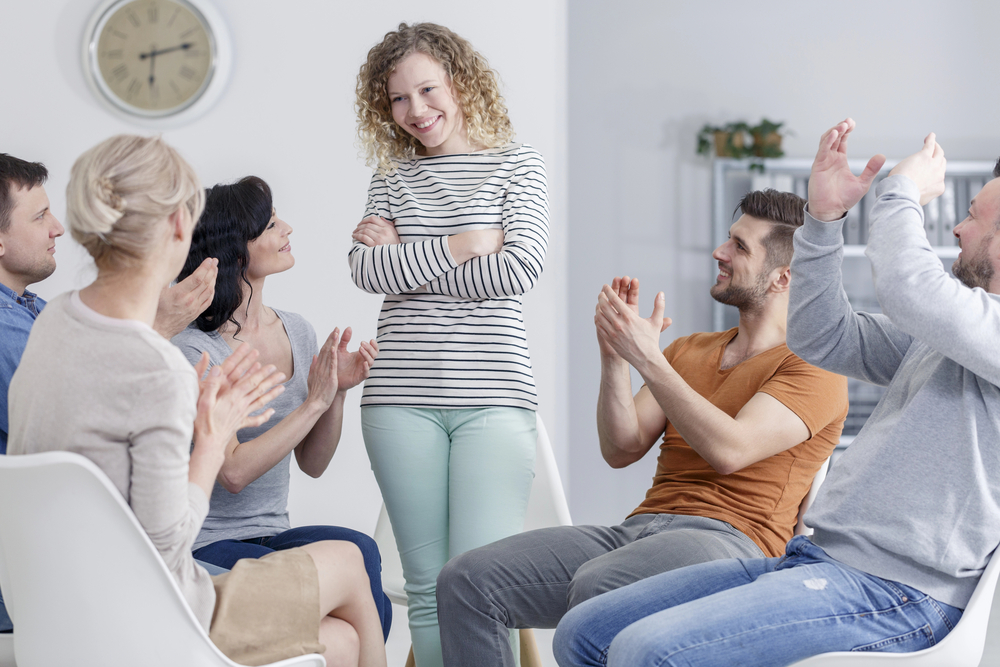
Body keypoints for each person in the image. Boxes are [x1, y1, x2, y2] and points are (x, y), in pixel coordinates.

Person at [552, 119, 1000, 667]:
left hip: (895, 594)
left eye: (974, 217)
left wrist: (901, 190)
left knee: (647, 651)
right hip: (820, 561)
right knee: (584, 632)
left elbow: (910, 288)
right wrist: (826, 220)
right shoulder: (950, 338)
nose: (956, 228)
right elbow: (823, 335)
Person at [8, 135, 387, 667]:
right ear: (179, 228)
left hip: (59, 610)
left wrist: (328, 397)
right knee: (349, 561)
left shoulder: (53, 321)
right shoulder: (160, 365)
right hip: (158, 611)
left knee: (342, 637)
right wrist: (212, 440)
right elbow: (170, 542)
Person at [436, 188, 848, 666]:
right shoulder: (691, 349)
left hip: (732, 546)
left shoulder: (814, 367)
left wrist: (650, 360)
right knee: (466, 580)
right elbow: (622, 446)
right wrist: (617, 359)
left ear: (783, 277)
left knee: (600, 583)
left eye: (739, 246)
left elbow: (731, 450)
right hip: (640, 530)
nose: (720, 252)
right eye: (727, 240)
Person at [350, 22, 548, 667]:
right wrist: (464, 244)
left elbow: (520, 270)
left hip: (494, 398)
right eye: (399, 100)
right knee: (429, 591)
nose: (417, 111)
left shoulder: (516, 164)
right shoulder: (392, 176)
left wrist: (408, 257)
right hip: (398, 400)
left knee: (477, 585)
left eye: (428, 90)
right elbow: (366, 272)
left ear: (460, 83)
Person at [0, 152, 222, 635]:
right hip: (87, 596)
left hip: (49, 586)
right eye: (39, 217)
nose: (55, 227)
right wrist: (212, 436)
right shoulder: (19, 330)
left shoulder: (48, 315)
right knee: (349, 581)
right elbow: (80, 409)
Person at [171, 175, 390, 640]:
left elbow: (313, 464)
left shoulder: (298, 331)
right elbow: (231, 474)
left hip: (273, 533)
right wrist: (312, 404)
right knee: (343, 607)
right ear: (236, 249)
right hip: (209, 545)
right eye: (271, 225)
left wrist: (336, 394)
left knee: (361, 549)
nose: (286, 227)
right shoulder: (195, 350)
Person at [0, 152, 217, 453]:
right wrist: (159, 328)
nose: (58, 228)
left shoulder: (42, 310)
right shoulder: (5, 329)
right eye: (40, 216)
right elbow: (78, 432)